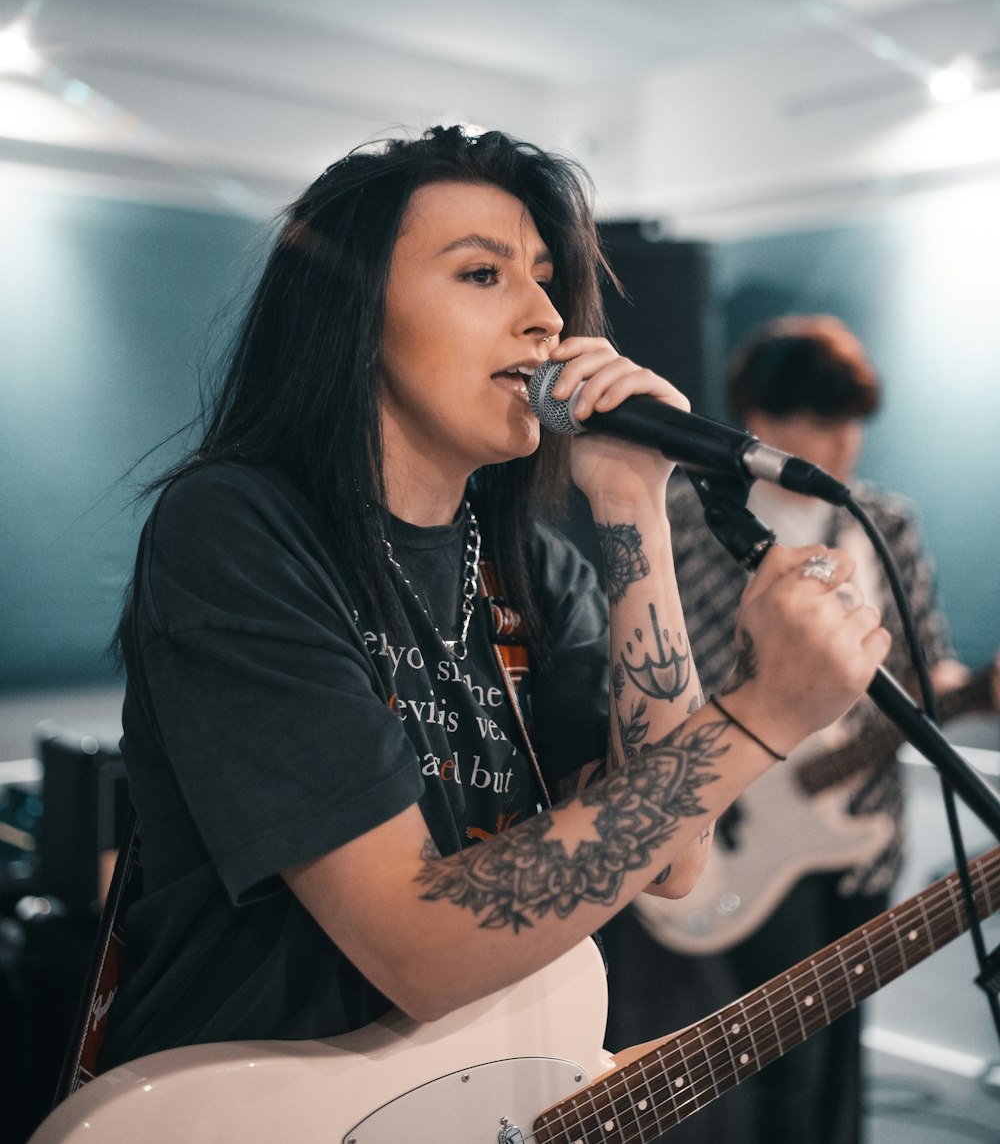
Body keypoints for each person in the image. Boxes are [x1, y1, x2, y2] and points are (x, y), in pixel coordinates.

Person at [98, 133, 889, 1101]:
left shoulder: (535, 569)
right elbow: (415, 947)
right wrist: (766, 712)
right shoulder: (239, 528)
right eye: (482, 273)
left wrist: (632, 500)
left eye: (548, 282)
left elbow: (670, 858)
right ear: (353, 315)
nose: (546, 318)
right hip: (250, 1110)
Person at [613, 314, 970, 1144]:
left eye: (850, 424)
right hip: (746, 823)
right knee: (780, 1066)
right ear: (761, 422)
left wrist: (976, 691)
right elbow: (669, 677)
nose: (840, 446)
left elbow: (927, 666)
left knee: (845, 1057)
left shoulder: (886, 523)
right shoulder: (688, 522)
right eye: (817, 423)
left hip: (861, 826)